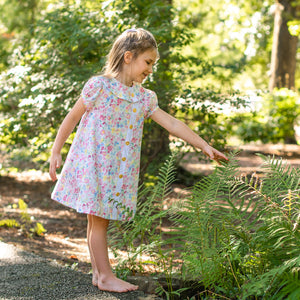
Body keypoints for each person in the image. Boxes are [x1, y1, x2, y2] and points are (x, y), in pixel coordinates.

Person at [49, 28, 228, 293]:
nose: (150, 69)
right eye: (148, 62)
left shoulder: (143, 97)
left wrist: (203, 145)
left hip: (118, 169)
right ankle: (106, 275)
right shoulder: (99, 86)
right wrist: (56, 150)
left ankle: (99, 275)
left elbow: (172, 123)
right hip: (96, 165)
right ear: (128, 56)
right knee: (98, 220)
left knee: (97, 221)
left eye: (153, 64)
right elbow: (72, 118)